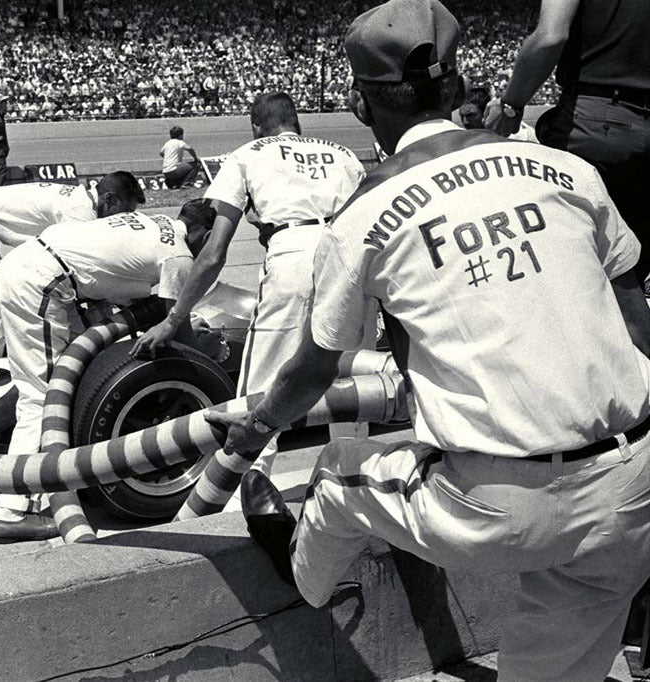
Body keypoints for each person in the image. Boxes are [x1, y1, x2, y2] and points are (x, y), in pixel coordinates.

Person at [211, 1, 650, 679]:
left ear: (361, 106)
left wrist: (254, 430)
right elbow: (636, 327)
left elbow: (310, 373)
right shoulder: (568, 171)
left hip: (503, 504)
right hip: (633, 486)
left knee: (335, 473)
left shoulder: (362, 217)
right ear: (459, 84)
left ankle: (303, 591)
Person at [133, 92, 367, 475]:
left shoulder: (248, 153)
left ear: (256, 125)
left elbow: (213, 252)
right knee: (351, 390)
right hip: (350, 254)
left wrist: (173, 319)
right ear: (297, 122)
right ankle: (350, 491)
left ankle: (246, 491)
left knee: (258, 394)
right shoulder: (342, 153)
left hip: (293, 253)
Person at [0, 185, 215, 543]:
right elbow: (178, 331)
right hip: (42, 283)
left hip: (41, 269)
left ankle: (67, 468)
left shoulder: (153, 223)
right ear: (204, 236)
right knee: (42, 399)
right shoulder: (179, 258)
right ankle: (11, 511)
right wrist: (212, 362)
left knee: (83, 372)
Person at [484, 0, 650, 287]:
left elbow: (551, 36)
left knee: (571, 280)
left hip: (597, 124)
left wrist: (510, 104)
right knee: (630, 280)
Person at [0, 175, 135, 363]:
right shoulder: (79, 213)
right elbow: (79, 267)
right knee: (11, 310)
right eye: (125, 212)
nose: (122, 219)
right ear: (110, 199)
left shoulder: (80, 198)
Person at [459, 86, 537, 142]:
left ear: (485, 112)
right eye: (461, 116)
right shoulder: (465, 140)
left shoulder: (520, 136)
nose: (465, 122)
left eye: (471, 116)